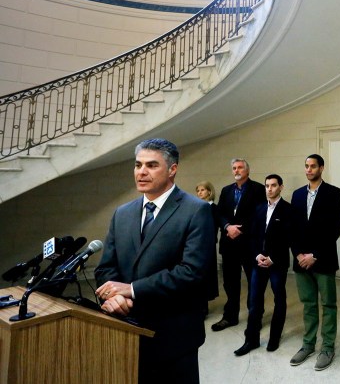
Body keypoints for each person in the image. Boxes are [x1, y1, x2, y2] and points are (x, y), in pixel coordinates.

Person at [95, 138, 214, 384]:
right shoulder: (122, 213)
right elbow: (106, 268)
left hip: (174, 336)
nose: (141, 172)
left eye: (151, 165)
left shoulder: (196, 210)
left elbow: (191, 272)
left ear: (173, 169)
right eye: (138, 165)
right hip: (126, 329)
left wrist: (132, 289)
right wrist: (113, 296)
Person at [289, 154, 340, 371]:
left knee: (328, 304)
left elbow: (334, 229)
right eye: (306, 166)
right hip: (301, 261)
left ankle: (328, 347)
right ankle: (308, 344)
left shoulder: (333, 193)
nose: (309, 169)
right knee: (308, 305)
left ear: (321, 168)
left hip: (323, 260)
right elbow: (292, 228)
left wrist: (315, 255)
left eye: (313, 166)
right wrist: (298, 254)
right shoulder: (296, 194)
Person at [235, 174, 293, 356]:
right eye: (267, 185)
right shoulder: (258, 208)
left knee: (279, 300)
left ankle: (274, 338)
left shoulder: (288, 210)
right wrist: (257, 255)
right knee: (254, 302)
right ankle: (250, 340)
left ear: (281, 187)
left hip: (277, 263)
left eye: (273, 185)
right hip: (258, 263)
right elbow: (252, 236)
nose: (269, 189)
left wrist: (272, 258)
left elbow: (287, 239)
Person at [212, 158, 265, 332]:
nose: (236, 170)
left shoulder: (258, 189)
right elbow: (219, 213)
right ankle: (230, 316)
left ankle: (255, 316)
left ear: (247, 171)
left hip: (249, 243)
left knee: (253, 281)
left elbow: (261, 214)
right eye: (234, 168)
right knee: (230, 282)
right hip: (229, 244)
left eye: (240, 167)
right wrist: (227, 226)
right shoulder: (226, 190)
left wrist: (240, 229)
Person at [196, 180, 220, 304]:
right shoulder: (197, 208)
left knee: (207, 275)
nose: (200, 193)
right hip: (197, 245)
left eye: (202, 190)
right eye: (198, 191)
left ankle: (204, 306)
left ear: (209, 191)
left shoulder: (214, 208)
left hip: (208, 245)